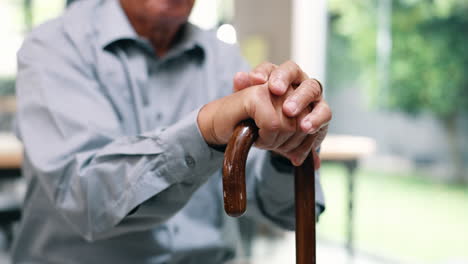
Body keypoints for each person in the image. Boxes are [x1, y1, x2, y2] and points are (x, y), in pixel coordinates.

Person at [13, 0, 332, 263]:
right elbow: (86, 198)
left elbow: (286, 211)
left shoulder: (222, 58)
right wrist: (205, 130)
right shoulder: (55, 46)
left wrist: (289, 143)